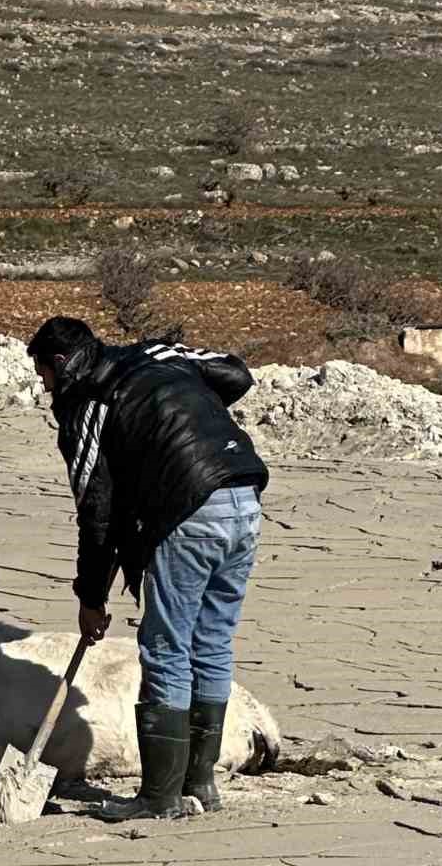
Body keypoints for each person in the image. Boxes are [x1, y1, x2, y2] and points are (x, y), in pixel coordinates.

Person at [25, 317, 269, 821]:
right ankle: (201, 782)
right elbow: (235, 374)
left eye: (43, 375)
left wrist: (91, 597)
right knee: (213, 642)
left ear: (62, 364)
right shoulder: (158, 354)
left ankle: (160, 796)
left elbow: (97, 513)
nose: (43, 387)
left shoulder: (89, 405)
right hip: (244, 499)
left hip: (191, 512)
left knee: (166, 648)